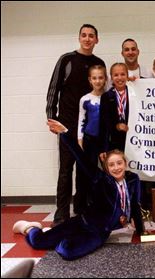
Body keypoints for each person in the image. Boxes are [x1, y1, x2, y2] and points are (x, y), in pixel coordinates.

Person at [13, 119, 144, 261]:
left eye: (119, 163)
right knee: (39, 242)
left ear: (125, 163)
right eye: (111, 165)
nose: (116, 167)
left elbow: (136, 205)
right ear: (106, 168)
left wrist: (141, 229)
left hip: (98, 233)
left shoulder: (133, 179)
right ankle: (29, 228)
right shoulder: (100, 178)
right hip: (82, 222)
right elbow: (82, 158)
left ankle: (56, 235)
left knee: (68, 252)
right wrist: (65, 133)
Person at [46, 24, 106, 226]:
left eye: (91, 36)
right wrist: (51, 117)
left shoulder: (99, 63)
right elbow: (54, 88)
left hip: (89, 130)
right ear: (79, 38)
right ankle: (61, 212)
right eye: (84, 35)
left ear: (97, 40)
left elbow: (103, 94)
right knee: (65, 170)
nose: (87, 39)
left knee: (85, 171)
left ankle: (81, 209)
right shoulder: (67, 59)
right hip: (66, 125)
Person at [76, 65, 107, 212]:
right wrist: (80, 139)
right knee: (86, 173)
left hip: (104, 140)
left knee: (107, 172)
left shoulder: (109, 97)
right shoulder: (85, 99)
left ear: (105, 79)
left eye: (101, 77)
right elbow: (81, 120)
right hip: (89, 139)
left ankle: (104, 202)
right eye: (94, 78)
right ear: (90, 80)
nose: (98, 81)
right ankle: (83, 205)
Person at [99, 63, 130, 160]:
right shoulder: (106, 97)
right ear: (111, 77)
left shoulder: (134, 93)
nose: (119, 78)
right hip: (114, 141)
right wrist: (103, 148)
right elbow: (103, 124)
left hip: (132, 140)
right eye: (116, 75)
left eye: (123, 74)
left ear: (127, 75)